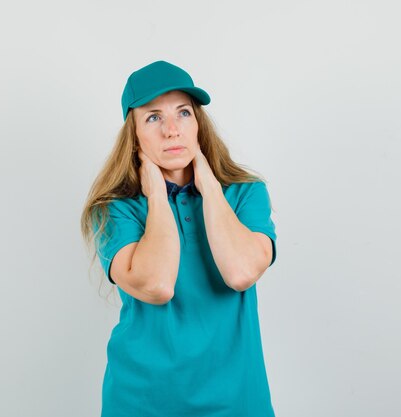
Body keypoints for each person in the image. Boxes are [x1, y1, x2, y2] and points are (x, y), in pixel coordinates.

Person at [80, 60, 278, 417]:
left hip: (238, 402)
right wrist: (156, 194)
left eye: (183, 113)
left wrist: (209, 185)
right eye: (153, 117)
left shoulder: (246, 194)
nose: (172, 129)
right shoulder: (115, 209)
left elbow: (241, 272)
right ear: (134, 134)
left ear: (199, 124)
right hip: (142, 403)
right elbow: (156, 285)